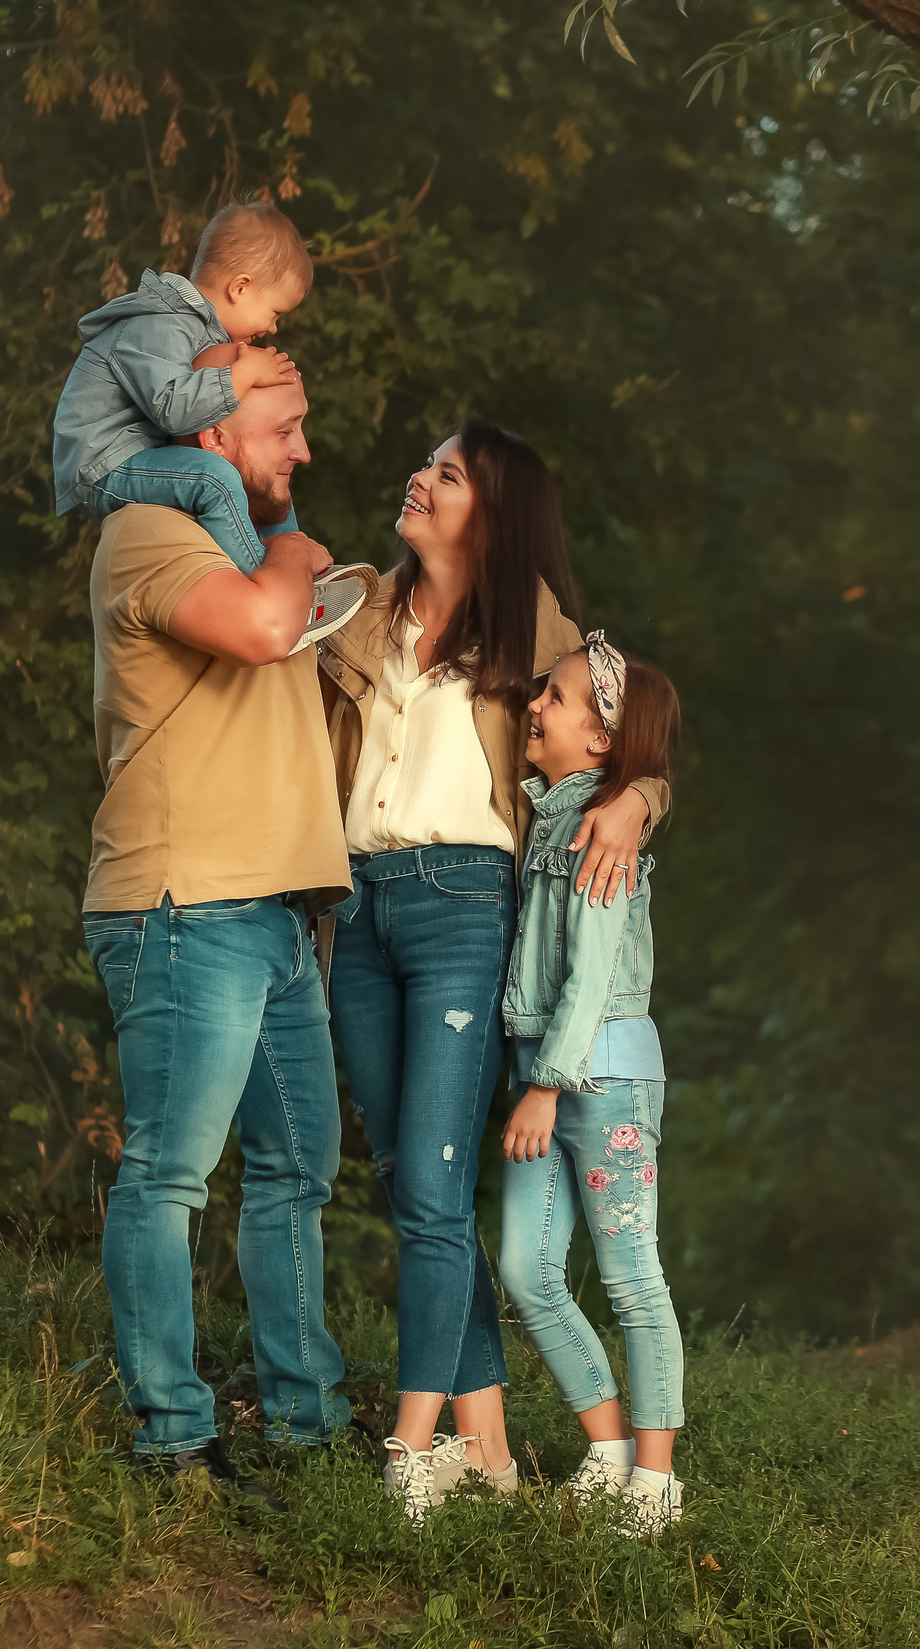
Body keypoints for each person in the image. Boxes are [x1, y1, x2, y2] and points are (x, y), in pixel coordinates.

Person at [315, 423, 666, 1523]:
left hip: (465, 902)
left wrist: (639, 797)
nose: (419, 480)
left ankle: (423, 1446)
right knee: (407, 1183)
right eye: (426, 465)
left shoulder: (536, 628)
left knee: (430, 1185)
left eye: (449, 474)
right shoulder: (358, 608)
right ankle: (488, 1445)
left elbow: (628, 735)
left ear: (495, 511)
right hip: (353, 904)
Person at [80, 374, 354, 1504]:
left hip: (275, 908)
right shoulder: (149, 533)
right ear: (210, 433)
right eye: (283, 428)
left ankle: (306, 1422)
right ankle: (174, 1443)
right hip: (185, 899)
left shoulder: (247, 551)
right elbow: (266, 627)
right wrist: (294, 549)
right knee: (169, 1174)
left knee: (299, 1169)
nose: (304, 448)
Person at [497, 636, 687, 1535]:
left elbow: (593, 970)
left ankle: (656, 1482)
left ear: (603, 738)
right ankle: (607, 1453)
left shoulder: (600, 827)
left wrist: (545, 1085)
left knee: (631, 1278)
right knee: (526, 1270)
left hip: (601, 1078)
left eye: (560, 697)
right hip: (548, 1073)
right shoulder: (557, 816)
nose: (537, 704)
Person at [53, 198, 311, 575]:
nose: (273, 327)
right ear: (240, 287)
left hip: (141, 453)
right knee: (215, 478)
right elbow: (173, 409)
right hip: (103, 463)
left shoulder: (198, 328)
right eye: (275, 312)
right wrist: (245, 374)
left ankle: (306, 571)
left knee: (261, 476)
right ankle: (266, 578)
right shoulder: (162, 323)